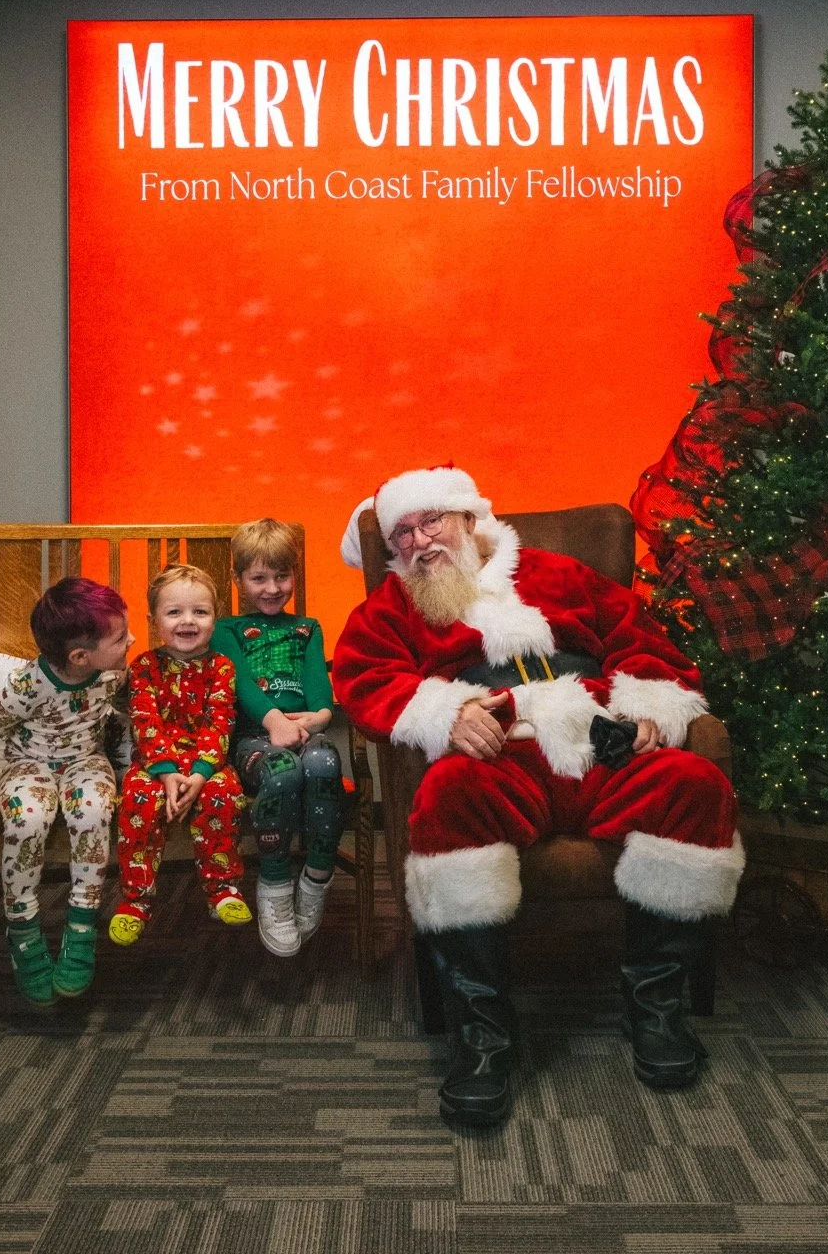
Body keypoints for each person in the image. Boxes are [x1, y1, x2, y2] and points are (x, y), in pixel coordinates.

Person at [334, 465, 741, 1129]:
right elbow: (365, 676)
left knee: (693, 785)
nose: (419, 542)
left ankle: (656, 1007)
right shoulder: (394, 605)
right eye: (401, 535)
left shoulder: (560, 576)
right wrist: (444, 712)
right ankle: (483, 1037)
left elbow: (644, 643)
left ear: (469, 518)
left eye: (430, 521)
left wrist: (648, 712)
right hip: (502, 756)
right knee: (445, 797)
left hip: (600, 744)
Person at [0, 576, 132, 1006]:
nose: (131, 640)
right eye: (120, 637)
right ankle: (23, 929)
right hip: (29, 766)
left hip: (86, 763)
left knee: (94, 810)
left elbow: (137, 710)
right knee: (28, 820)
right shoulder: (28, 686)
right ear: (80, 656)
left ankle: (81, 927)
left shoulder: (112, 674)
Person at [211, 519, 342, 957]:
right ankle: (274, 881)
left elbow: (318, 687)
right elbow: (238, 683)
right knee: (284, 770)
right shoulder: (227, 630)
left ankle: (317, 876)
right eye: (259, 578)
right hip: (255, 737)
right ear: (239, 580)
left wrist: (321, 716)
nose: (272, 588)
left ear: (294, 576)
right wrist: (273, 722)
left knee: (324, 763)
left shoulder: (307, 627)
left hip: (306, 729)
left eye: (281, 576)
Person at [108, 564, 249, 945]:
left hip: (208, 764)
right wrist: (168, 773)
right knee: (138, 796)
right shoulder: (144, 668)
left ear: (214, 619)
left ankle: (222, 888)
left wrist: (201, 773)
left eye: (200, 612)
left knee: (223, 794)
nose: (188, 621)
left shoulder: (221, 668)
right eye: (175, 612)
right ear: (154, 621)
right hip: (156, 766)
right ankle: (136, 899)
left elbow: (220, 724)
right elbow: (145, 722)